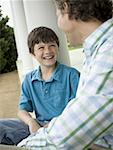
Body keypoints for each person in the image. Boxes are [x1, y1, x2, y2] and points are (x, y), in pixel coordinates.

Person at [17, 0, 113, 149]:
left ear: (66, 8)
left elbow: (67, 134)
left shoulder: (108, 53)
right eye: (41, 47)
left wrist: (22, 146)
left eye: (56, 13)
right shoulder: (98, 51)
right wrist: (32, 123)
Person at [0, 27, 80, 145]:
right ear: (32, 53)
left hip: (64, 127)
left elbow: (78, 109)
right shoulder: (29, 80)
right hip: (38, 127)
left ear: (58, 48)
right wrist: (31, 122)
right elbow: (22, 110)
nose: (47, 51)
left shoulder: (71, 75)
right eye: (41, 48)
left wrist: (52, 125)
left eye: (52, 45)